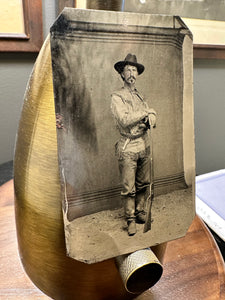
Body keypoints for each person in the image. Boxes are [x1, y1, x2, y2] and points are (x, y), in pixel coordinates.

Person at [111, 53, 156, 236]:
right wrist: (146, 112)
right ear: (122, 74)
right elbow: (124, 120)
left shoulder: (140, 96)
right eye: (128, 69)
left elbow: (151, 115)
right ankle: (130, 219)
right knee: (128, 188)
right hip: (128, 147)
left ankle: (139, 212)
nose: (131, 73)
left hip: (143, 144)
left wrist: (151, 118)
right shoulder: (117, 97)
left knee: (143, 183)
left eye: (134, 69)